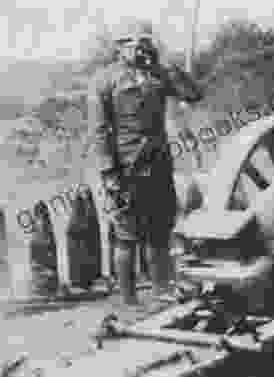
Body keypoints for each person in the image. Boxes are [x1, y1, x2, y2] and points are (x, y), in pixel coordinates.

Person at [87, 19, 203, 305]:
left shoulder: (158, 74)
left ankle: (161, 295)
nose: (138, 50)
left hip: (158, 164)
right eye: (132, 44)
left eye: (143, 43)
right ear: (119, 47)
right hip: (124, 167)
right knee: (126, 235)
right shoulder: (104, 80)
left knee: (159, 234)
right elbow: (99, 131)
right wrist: (109, 173)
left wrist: (168, 63)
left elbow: (193, 94)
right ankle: (128, 301)